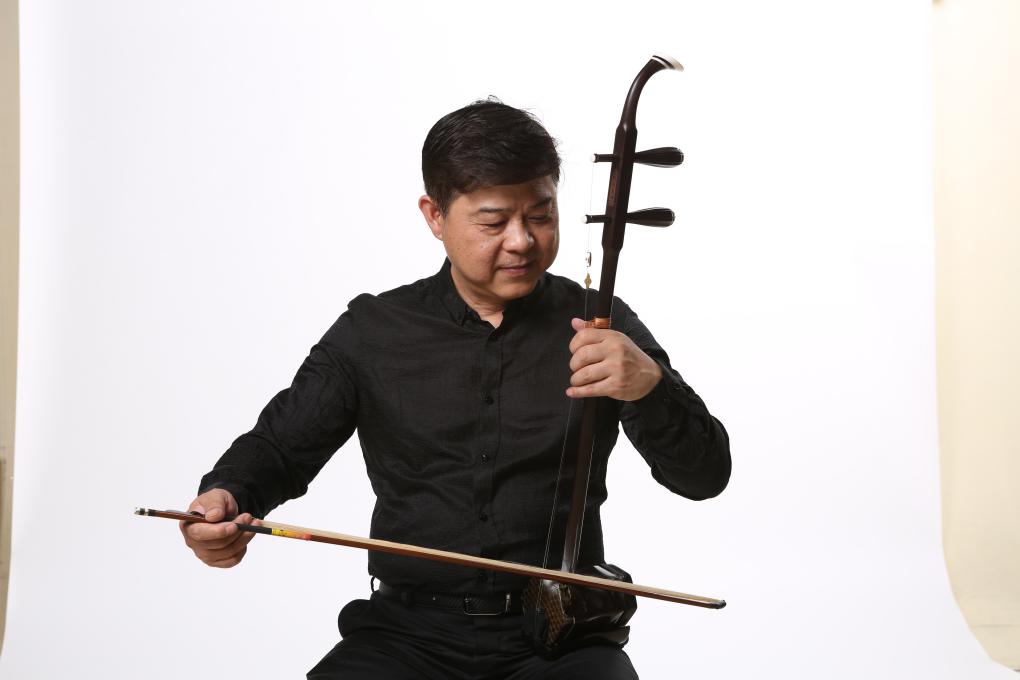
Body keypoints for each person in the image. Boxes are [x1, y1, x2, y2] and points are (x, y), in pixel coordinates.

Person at [180, 98, 731, 679]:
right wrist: (225, 496)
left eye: (541, 215)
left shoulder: (601, 324)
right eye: (494, 222)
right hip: (404, 636)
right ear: (435, 215)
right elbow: (280, 447)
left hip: (558, 641)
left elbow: (705, 475)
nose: (521, 241)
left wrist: (650, 387)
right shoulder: (373, 330)